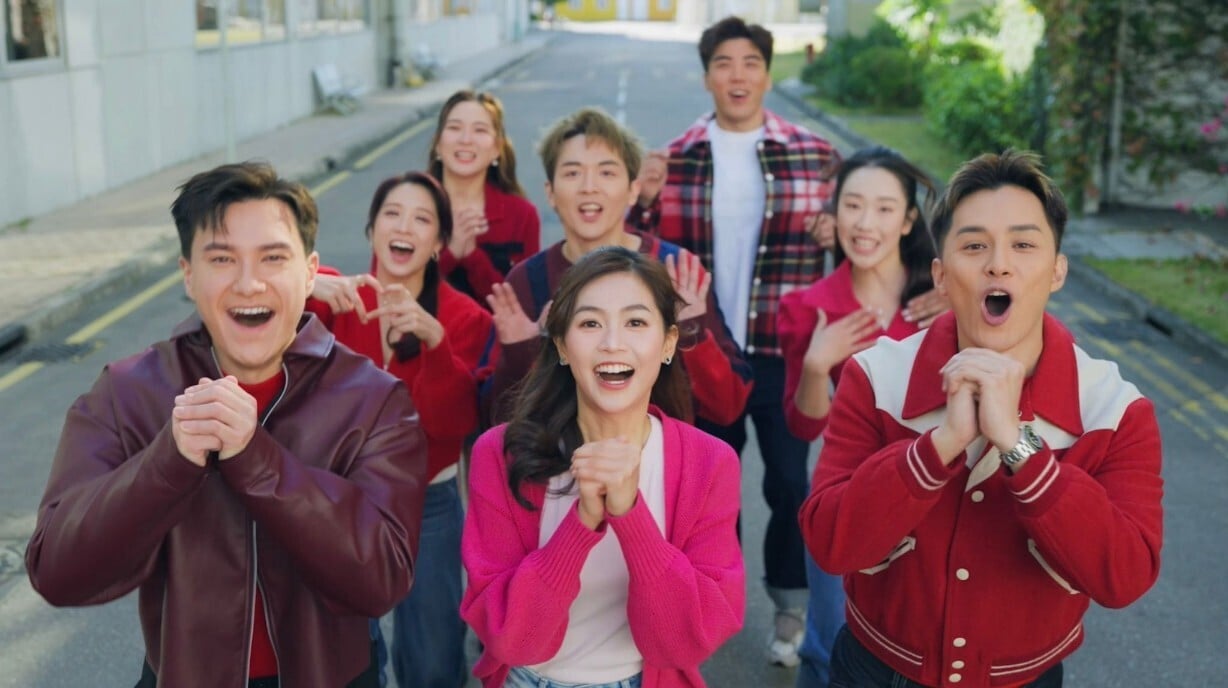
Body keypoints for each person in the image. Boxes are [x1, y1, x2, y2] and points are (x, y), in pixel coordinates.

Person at [25, 161, 429, 688]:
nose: (248, 283)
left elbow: (383, 580)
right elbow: (56, 572)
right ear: (188, 275)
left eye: (272, 258)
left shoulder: (374, 399)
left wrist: (256, 460)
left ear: (310, 273)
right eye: (221, 259)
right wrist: (168, 462)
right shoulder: (128, 392)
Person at [801, 150, 1164, 687]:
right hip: (876, 671)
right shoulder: (876, 377)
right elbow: (831, 543)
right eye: (974, 246)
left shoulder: (1115, 409)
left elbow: (1125, 576)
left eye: (1024, 244)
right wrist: (939, 445)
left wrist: (1020, 447)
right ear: (941, 276)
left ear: (1057, 271)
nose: (998, 264)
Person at [627, 15, 846, 665]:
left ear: (768, 74)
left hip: (783, 352)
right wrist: (643, 199)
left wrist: (838, 229)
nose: (738, 75)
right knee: (706, 490)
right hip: (706, 354)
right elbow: (635, 246)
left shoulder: (815, 156)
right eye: (724, 63)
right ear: (707, 77)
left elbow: (861, 246)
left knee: (791, 484)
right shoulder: (676, 159)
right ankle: (707, 603)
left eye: (750, 62)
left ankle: (789, 605)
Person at [461, 246, 745, 687]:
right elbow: (512, 640)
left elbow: (684, 643)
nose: (613, 342)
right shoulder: (500, 453)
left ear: (668, 343)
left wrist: (630, 515)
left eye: (636, 322)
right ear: (561, 345)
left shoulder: (710, 463)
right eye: (590, 323)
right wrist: (582, 522)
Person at [308, 171, 493, 688]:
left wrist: (435, 346)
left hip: (426, 503)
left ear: (437, 245)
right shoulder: (334, 298)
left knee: (432, 663)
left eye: (422, 219)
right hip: (343, 500)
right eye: (392, 214)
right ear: (372, 230)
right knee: (346, 661)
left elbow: (450, 425)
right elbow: (250, 304)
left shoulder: (463, 317)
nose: (404, 227)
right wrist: (302, 282)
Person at [777, 147, 940, 687]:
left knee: (921, 653)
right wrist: (816, 366)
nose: (865, 224)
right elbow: (804, 427)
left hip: (935, 501)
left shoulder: (943, 300)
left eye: (884, 208)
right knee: (827, 648)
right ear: (835, 212)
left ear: (908, 220)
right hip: (847, 498)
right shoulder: (808, 307)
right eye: (852, 205)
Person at [484, 107, 752, 430]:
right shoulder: (527, 282)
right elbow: (496, 422)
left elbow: (728, 405)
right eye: (572, 173)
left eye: (607, 172)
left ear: (633, 190)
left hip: (659, 459)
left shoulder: (676, 271)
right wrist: (521, 354)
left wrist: (692, 331)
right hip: (558, 460)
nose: (589, 187)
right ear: (550, 193)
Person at [428, 89, 541, 306]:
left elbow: (524, 307)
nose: (466, 140)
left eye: (479, 130)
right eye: (454, 128)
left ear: (497, 148)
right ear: (438, 144)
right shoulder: (406, 205)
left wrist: (472, 257)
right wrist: (451, 252)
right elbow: (392, 295)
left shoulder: (522, 215)